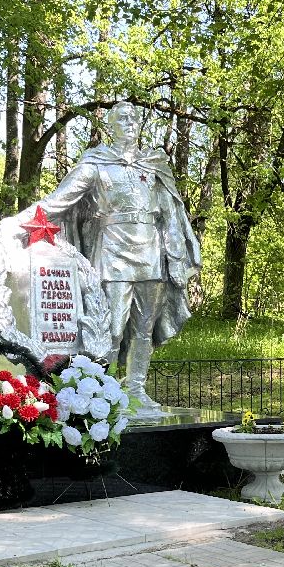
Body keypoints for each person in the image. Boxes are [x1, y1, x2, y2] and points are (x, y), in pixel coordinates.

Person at [39, 102, 202, 414]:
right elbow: (58, 202)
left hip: (151, 254)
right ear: (110, 126)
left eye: (133, 118)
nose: (129, 122)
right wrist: (22, 222)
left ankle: (136, 388)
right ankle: (103, 391)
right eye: (121, 118)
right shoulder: (96, 164)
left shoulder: (153, 164)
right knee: (111, 328)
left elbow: (170, 214)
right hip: (113, 254)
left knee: (144, 327)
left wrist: (176, 256)